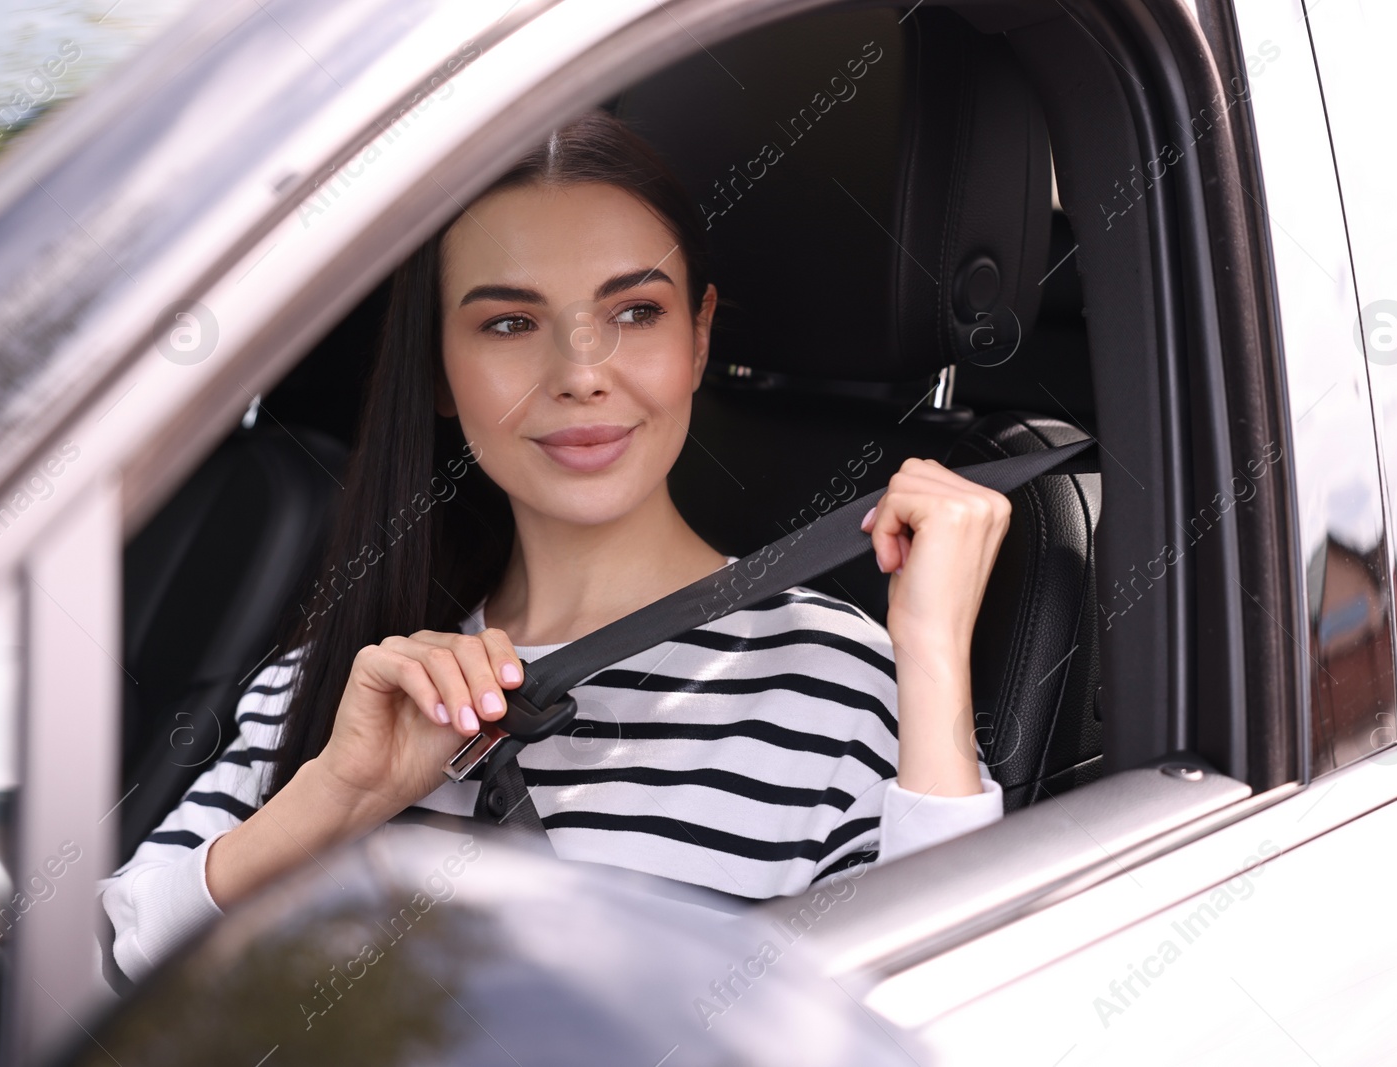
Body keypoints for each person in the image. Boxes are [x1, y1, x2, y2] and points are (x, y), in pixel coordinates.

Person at [99, 110, 1011, 983]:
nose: (580, 374)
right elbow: (101, 979)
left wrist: (931, 661)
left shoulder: (838, 683)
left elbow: (961, 1017)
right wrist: (336, 796)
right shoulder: (343, 680)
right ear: (441, 371)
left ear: (698, 338)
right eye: (509, 323)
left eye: (636, 312)